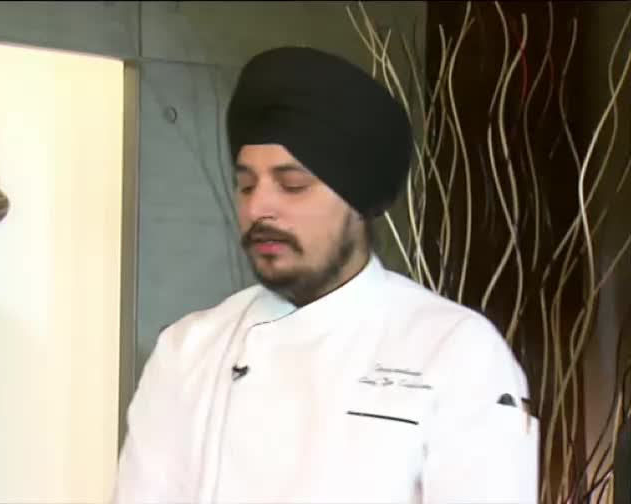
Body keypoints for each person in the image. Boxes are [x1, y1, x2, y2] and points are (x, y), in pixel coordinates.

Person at [113, 46, 539, 504]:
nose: (259, 208)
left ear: (357, 199)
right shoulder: (189, 349)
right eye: (246, 184)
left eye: (292, 185)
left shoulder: (456, 350)